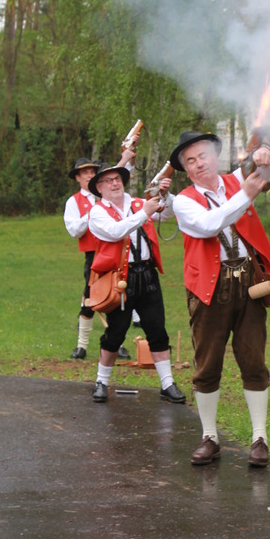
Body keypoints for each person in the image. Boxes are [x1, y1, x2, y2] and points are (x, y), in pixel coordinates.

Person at [170, 130, 270, 468]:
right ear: (186, 170)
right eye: (191, 161)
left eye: (202, 156)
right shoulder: (183, 200)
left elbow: (263, 174)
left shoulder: (235, 179)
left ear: (215, 156)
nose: (199, 164)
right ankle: (210, 437)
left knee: (254, 361)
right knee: (207, 364)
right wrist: (245, 192)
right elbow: (210, 224)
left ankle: (260, 438)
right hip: (208, 290)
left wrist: (265, 156)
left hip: (248, 283)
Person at [87, 163, 186, 404]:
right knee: (116, 333)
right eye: (108, 180)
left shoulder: (140, 203)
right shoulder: (98, 212)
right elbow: (115, 232)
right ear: (99, 188)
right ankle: (101, 381)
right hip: (119, 279)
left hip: (147, 276)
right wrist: (145, 212)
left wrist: (165, 194)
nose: (114, 183)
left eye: (117, 178)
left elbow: (168, 213)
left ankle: (167, 383)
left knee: (157, 329)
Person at [64, 156, 133, 361]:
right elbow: (74, 230)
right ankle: (81, 346)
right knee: (89, 299)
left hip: (116, 253)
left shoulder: (109, 197)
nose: (89, 175)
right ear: (77, 177)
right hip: (94, 256)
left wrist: (127, 157)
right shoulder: (74, 202)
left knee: (118, 297)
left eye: (92, 172)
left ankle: (117, 343)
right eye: (85, 172)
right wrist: (93, 214)